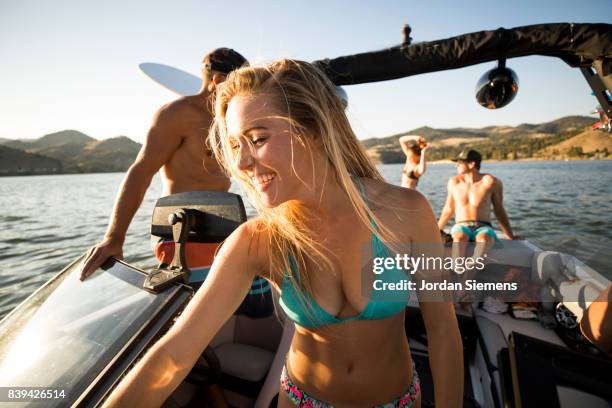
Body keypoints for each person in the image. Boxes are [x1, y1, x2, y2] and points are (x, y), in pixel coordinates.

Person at [100, 60, 463, 407]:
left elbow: (443, 331)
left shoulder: (405, 212)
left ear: (315, 132)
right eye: (235, 145)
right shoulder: (255, 241)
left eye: (257, 139)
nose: (241, 163)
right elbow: (175, 353)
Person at [79, 48, 248, 281]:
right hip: (183, 229)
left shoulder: (230, 119)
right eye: (242, 83)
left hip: (224, 223)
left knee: (256, 303)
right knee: (216, 300)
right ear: (218, 81)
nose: (247, 92)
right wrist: (114, 237)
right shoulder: (178, 114)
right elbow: (141, 172)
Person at [438, 149, 521, 262]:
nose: (456, 165)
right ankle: (458, 274)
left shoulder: (490, 182)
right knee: (459, 238)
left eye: (460, 162)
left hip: (483, 227)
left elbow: (499, 210)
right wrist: (436, 230)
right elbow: (448, 209)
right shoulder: (454, 182)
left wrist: (510, 235)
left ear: (472, 164)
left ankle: (465, 278)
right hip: (461, 226)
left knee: (484, 241)